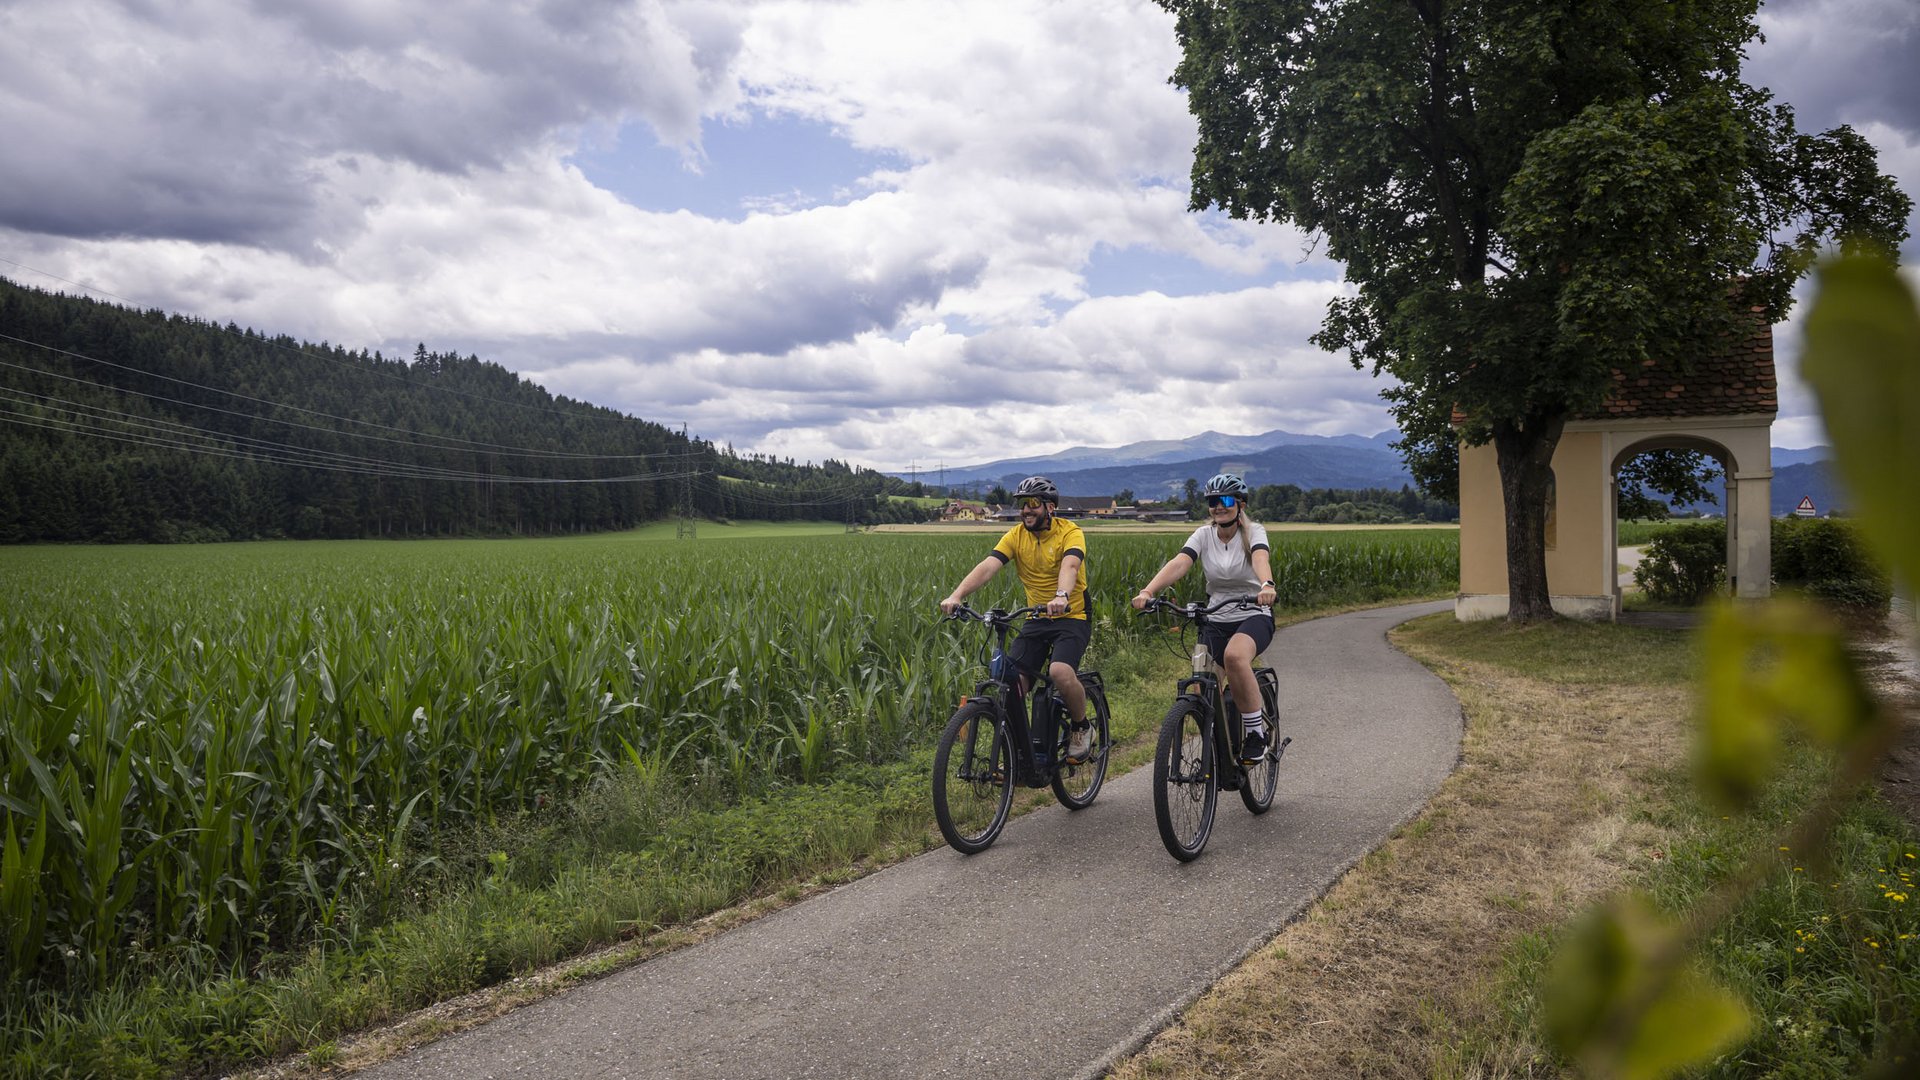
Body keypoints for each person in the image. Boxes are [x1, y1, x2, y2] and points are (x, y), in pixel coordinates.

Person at [940, 476, 1095, 762]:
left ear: (1050, 508)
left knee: (1060, 672)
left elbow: (1071, 565)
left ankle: (1081, 726)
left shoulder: (1070, 532)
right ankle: (1019, 755)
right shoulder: (1015, 536)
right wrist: (956, 595)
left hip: (1071, 615)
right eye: (1022, 504)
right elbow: (989, 566)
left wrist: (1061, 595)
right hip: (1036, 616)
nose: (1026, 509)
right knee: (1011, 684)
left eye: (1033, 503)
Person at [1130, 472, 1278, 762]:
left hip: (1253, 613)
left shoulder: (1253, 531)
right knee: (1202, 687)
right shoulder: (1203, 534)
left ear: (1240, 505)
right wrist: (1148, 591)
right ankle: (1220, 747)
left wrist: (1266, 585)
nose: (1218, 506)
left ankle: (1255, 734)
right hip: (1216, 616)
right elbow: (1180, 563)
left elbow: (1260, 558)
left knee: (1235, 657)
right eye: (1212, 501)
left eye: (1224, 500)